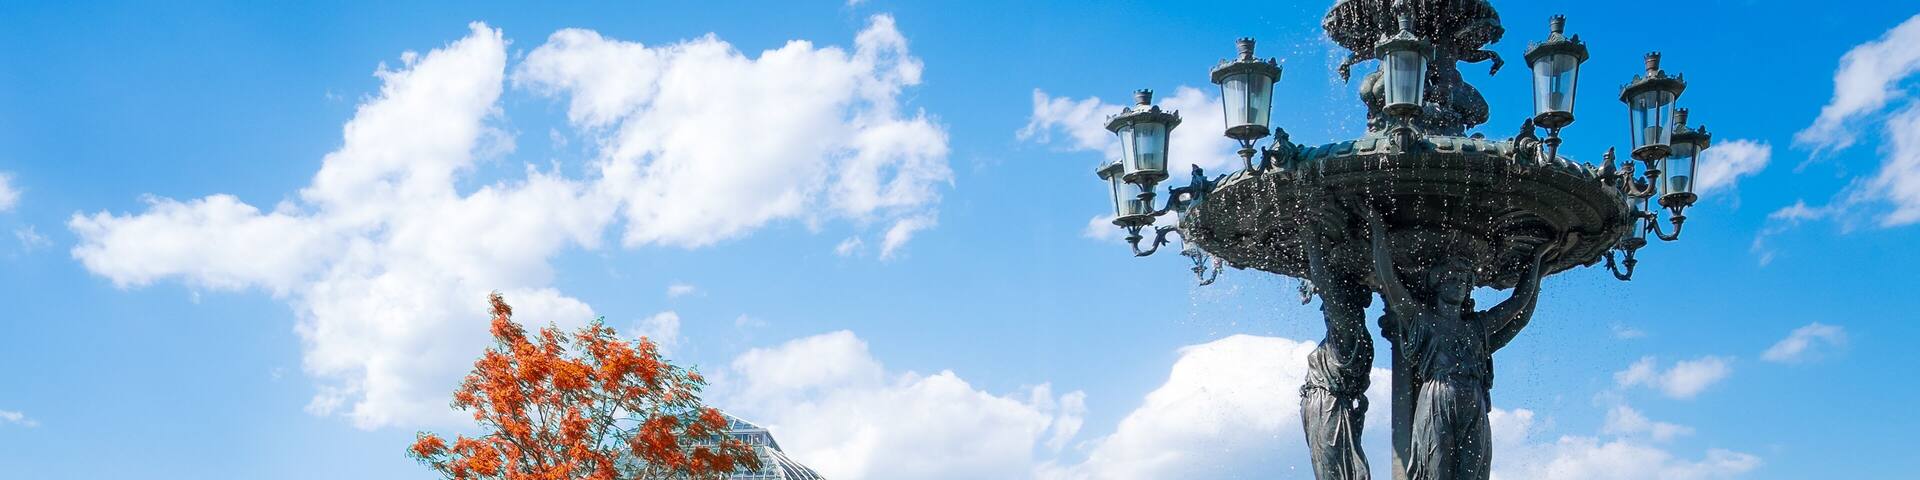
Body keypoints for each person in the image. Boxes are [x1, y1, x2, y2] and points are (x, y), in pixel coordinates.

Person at [1355, 201, 1561, 480]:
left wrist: (1537, 263)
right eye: (1453, 279)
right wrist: (1378, 229)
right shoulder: (1422, 320)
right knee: (1437, 470)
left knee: (1472, 473)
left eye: (1464, 281)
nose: (1460, 285)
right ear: (1438, 283)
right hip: (1438, 397)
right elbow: (1389, 282)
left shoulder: (1476, 327)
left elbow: (1518, 308)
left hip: (1473, 398)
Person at [1299, 216, 1375, 480]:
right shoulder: (1355, 333)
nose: (1325, 310)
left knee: (1333, 471)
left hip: (1328, 406)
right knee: (1339, 468)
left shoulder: (1347, 329)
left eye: (1329, 306)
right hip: (1329, 405)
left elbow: (1324, 285)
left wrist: (1312, 241)